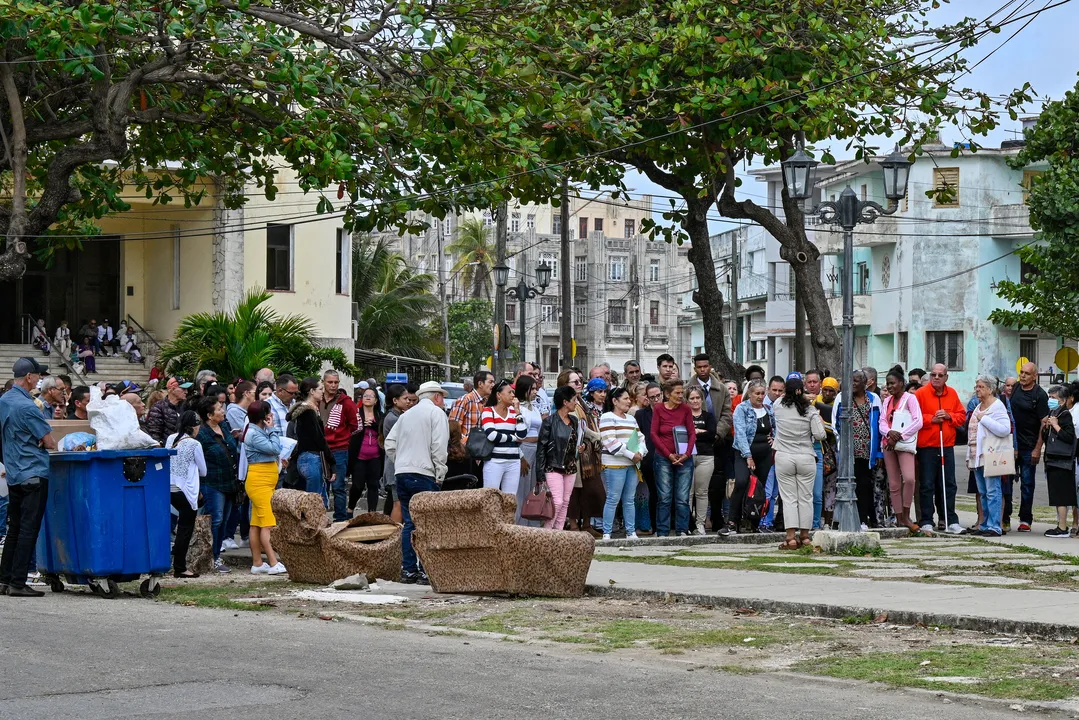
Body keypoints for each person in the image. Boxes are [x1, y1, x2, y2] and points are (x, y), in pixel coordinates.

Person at [0, 358, 55, 597]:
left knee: (14, 529)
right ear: (30, 377)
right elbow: (49, 441)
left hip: (14, 472)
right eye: (38, 376)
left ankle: (4, 579)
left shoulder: (4, 401)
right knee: (28, 529)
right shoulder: (28, 407)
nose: (39, 380)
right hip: (33, 470)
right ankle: (18, 582)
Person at [385, 381, 449, 584]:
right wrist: (440, 472)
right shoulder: (436, 413)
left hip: (402, 473)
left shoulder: (406, 415)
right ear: (436, 397)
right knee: (426, 524)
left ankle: (409, 569)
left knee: (409, 523)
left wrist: (402, 460)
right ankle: (425, 570)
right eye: (442, 397)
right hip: (424, 473)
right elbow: (439, 445)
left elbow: (389, 443)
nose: (443, 401)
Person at [772, 373, 826, 550]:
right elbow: (820, 435)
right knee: (806, 497)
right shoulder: (809, 409)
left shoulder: (778, 405)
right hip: (806, 456)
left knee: (788, 498)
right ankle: (805, 536)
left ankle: (790, 537)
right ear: (802, 390)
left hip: (784, 455)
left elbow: (780, 400)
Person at [914, 364, 967, 535]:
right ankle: (927, 520)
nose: (936, 378)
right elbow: (914, 418)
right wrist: (932, 419)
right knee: (927, 485)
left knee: (949, 484)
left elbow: (961, 416)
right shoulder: (921, 394)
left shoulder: (952, 393)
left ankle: (951, 520)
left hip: (947, 445)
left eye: (940, 375)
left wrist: (949, 416)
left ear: (946, 377)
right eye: (933, 374)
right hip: (927, 446)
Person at [834, 369, 884, 530]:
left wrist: (878, 451)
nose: (853, 384)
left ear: (865, 383)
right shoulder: (842, 398)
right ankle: (843, 519)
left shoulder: (874, 399)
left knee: (864, 485)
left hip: (867, 451)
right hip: (849, 452)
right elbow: (836, 424)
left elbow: (879, 424)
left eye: (856, 381)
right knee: (846, 485)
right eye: (851, 381)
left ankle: (863, 519)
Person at [195, 395, 239, 574]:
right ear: (209, 414)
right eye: (219, 409)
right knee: (216, 518)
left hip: (230, 481)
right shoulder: (201, 434)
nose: (223, 411)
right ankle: (209, 556)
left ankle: (216, 554)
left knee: (224, 520)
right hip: (212, 482)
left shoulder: (224, 427)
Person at [243, 400, 287, 574]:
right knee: (268, 523)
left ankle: (257, 563)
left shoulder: (257, 431)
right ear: (263, 416)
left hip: (264, 480)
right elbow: (275, 448)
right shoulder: (255, 433)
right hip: (259, 482)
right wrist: (273, 429)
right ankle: (273, 562)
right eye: (268, 412)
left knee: (256, 524)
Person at [966, 376, 1012, 538]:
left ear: (990, 389)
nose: (977, 389)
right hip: (977, 455)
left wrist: (983, 418)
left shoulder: (997, 407)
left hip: (991, 454)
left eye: (981, 387)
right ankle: (985, 523)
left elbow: (1005, 429)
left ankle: (994, 526)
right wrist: (968, 456)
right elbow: (972, 433)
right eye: (977, 386)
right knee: (983, 492)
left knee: (993, 491)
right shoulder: (978, 406)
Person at [726, 379, 774, 536]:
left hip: (764, 454)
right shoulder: (742, 409)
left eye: (762, 393)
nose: (760, 396)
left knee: (759, 488)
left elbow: (774, 427)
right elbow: (739, 433)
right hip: (743, 453)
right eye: (756, 393)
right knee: (741, 482)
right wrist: (748, 456)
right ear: (750, 393)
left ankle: (754, 522)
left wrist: (774, 440)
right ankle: (732, 522)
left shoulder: (768, 409)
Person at [597, 387, 646, 540]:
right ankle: (607, 532)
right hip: (613, 464)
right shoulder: (607, 417)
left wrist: (641, 452)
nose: (628, 401)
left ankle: (630, 531)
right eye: (625, 398)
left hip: (631, 465)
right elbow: (610, 441)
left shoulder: (631, 419)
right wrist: (632, 455)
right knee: (613, 498)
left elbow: (640, 437)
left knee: (629, 499)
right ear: (614, 401)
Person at [879, 365, 923, 533]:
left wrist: (900, 435)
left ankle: (906, 514)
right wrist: (889, 433)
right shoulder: (887, 401)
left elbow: (918, 421)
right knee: (894, 483)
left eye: (893, 383)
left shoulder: (909, 399)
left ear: (902, 383)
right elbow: (882, 421)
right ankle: (898, 517)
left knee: (909, 478)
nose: (890, 387)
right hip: (888, 444)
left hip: (904, 444)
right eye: (888, 384)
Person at [536, 385, 586, 532]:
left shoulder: (574, 421)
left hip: (570, 466)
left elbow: (576, 442)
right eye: (574, 399)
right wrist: (540, 475)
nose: (576, 402)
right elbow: (541, 449)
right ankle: (548, 532)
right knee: (556, 502)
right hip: (553, 466)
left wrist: (581, 448)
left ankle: (558, 533)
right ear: (565, 402)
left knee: (565, 502)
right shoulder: (550, 422)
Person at [650, 379, 696, 537]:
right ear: (667, 394)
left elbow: (692, 433)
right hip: (664, 457)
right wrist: (669, 455)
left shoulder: (686, 409)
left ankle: (682, 530)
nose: (681, 395)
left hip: (684, 458)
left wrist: (686, 454)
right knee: (664, 496)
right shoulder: (658, 409)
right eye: (677, 393)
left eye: (682, 392)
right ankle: (662, 531)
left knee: (682, 497)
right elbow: (654, 434)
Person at [1010, 361, 1049, 533]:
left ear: (1035, 376)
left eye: (1026, 373)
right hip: (1011, 444)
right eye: (1021, 372)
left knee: (1027, 483)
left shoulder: (1040, 395)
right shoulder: (1016, 387)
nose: (1023, 376)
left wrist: (1037, 448)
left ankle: (1025, 519)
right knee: (1005, 482)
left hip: (1029, 445)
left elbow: (1044, 423)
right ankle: (1004, 517)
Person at [166, 410, 205, 578]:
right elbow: (203, 471)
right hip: (185, 490)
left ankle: (170, 560)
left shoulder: (171, 438)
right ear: (194, 427)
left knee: (175, 526)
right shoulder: (195, 444)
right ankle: (180, 567)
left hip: (168, 487)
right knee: (185, 529)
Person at [288, 378, 336, 505]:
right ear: (311, 391)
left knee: (318, 499)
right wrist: (331, 460)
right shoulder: (308, 412)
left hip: (309, 457)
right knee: (314, 502)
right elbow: (319, 438)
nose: (323, 392)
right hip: (311, 458)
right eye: (320, 389)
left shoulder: (309, 410)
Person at [320, 370, 358, 522]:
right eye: (330, 382)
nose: (333, 385)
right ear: (323, 382)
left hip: (339, 449)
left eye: (336, 382)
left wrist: (342, 436)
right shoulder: (317, 399)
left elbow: (355, 425)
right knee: (321, 486)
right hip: (320, 448)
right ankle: (320, 519)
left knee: (338, 487)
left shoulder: (346, 402)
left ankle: (340, 519)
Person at [480, 379, 528, 495]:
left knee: (510, 499)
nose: (513, 395)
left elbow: (522, 435)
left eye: (513, 392)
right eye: (510, 392)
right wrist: (513, 438)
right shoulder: (488, 411)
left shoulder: (514, 412)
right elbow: (492, 435)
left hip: (513, 461)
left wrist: (517, 412)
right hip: (494, 461)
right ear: (498, 395)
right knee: (491, 498)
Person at [1041, 384, 1076, 538]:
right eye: (1049, 397)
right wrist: (1045, 427)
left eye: (1053, 398)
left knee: (1061, 494)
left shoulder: (1065, 415)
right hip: (1052, 458)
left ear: (1062, 400)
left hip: (1062, 460)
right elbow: (1046, 438)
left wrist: (1055, 425)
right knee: (1056, 494)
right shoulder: (1053, 413)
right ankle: (1060, 525)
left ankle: (1062, 527)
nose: (1050, 400)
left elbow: (1069, 437)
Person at [347, 386, 383, 515]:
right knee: (357, 485)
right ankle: (350, 509)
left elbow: (384, 432)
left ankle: (372, 513)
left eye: (371, 396)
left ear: (376, 400)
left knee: (373, 485)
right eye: (365, 395)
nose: (367, 397)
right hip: (359, 456)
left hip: (376, 456)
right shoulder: (356, 414)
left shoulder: (380, 415)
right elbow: (350, 431)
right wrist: (361, 424)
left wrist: (374, 426)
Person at [686, 386, 716, 535]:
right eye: (692, 398)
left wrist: (695, 432)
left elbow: (712, 435)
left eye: (698, 397)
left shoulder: (708, 416)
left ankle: (700, 524)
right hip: (688, 456)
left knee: (702, 492)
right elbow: (684, 434)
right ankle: (688, 524)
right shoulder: (684, 416)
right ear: (687, 400)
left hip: (706, 456)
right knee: (688, 492)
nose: (695, 401)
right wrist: (698, 432)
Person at [634, 381, 662, 536]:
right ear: (647, 398)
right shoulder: (641, 414)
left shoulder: (669, 411)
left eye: (658, 396)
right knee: (653, 494)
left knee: (667, 494)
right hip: (649, 459)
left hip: (667, 458)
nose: (656, 399)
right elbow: (638, 437)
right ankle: (654, 526)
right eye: (652, 397)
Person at [515, 375, 544, 525]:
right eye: (531, 389)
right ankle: (519, 524)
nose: (535, 391)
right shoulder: (518, 408)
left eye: (535, 388)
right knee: (521, 489)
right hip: (524, 450)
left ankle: (532, 524)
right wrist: (521, 457)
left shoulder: (535, 408)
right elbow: (517, 435)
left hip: (536, 449)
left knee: (533, 489)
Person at [380, 384, 411, 521]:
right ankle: (395, 536)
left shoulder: (399, 416)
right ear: (395, 400)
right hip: (394, 466)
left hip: (397, 465)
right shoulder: (393, 419)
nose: (408, 402)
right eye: (405, 398)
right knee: (398, 503)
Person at [449, 370, 495, 442]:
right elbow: (453, 428)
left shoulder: (487, 402)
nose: (493, 385)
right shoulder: (465, 400)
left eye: (493, 382)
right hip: (466, 448)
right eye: (490, 382)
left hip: (482, 449)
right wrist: (466, 442)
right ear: (480, 384)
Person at [146, 377, 192, 444]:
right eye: (183, 389)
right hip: (166, 449)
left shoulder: (186, 407)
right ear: (172, 389)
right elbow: (154, 433)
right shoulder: (158, 407)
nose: (186, 392)